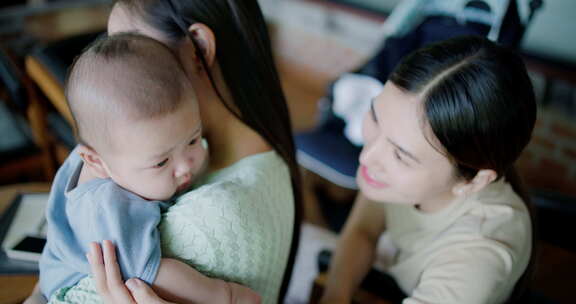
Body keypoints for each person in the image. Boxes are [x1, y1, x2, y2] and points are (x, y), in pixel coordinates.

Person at [26, 0, 301, 303]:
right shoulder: (267, 156)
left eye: (134, 46)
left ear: (199, 48)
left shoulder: (209, 218)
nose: (121, 77)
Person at [320, 35, 537, 304]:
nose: (368, 157)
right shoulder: (390, 171)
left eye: (401, 155)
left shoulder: (477, 258)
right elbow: (364, 228)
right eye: (375, 117)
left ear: (474, 180)